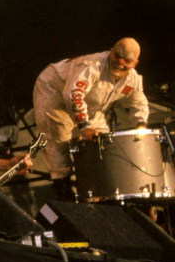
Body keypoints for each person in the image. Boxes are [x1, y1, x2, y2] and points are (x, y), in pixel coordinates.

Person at [32, 38, 147, 200]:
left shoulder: (132, 79)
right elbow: (74, 94)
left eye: (127, 60)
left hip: (90, 105)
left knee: (103, 142)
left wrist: (141, 123)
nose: (120, 63)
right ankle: (63, 187)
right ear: (111, 51)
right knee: (59, 136)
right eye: (117, 56)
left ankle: (101, 190)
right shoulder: (93, 67)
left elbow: (138, 101)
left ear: (135, 63)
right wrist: (84, 125)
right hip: (55, 91)